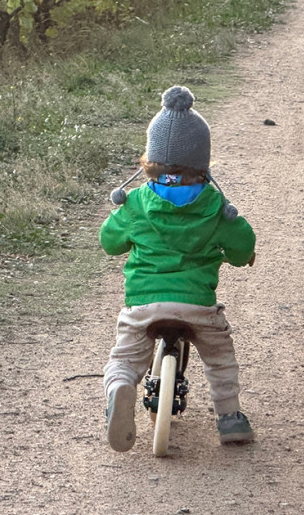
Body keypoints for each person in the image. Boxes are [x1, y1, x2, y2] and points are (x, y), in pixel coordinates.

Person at [99, 85, 256, 452]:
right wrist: (242, 255)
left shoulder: (136, 202)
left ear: (151, 161)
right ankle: (229, 418)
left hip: (144, 305)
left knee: (124, 358)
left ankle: (121, 386)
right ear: (203, 164)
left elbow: (109, 242)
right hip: (197, 306)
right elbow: (241, 244)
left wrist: (124, 237)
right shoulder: (215, 206)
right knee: (220, 358)